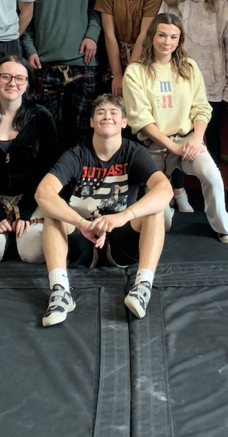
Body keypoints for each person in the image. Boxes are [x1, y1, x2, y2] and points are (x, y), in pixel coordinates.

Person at [35, 94, 172, 326]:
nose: (107, 116)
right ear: (91, 121)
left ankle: (142, 287)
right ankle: (60, 292)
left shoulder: (133, 152)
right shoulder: (77, 153)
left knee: (155, 209)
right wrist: (81, 223)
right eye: (100, 112)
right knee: (53, 212)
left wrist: (124, 216)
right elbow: (43, 193)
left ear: (124, 122)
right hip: (84, 239)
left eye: (113, 113)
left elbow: (165, 189)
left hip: (120, 240)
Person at [122, 13, 228, 244]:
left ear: (179, 40)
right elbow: (141, 119)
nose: (167, 42)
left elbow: (201, 108)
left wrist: (197, 139)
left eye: (173, 37)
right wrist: (172, 147)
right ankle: (168, 211)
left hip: (188, 140)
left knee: (212, 175)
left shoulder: (188, 66)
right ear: (152, 36)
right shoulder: (135, 72)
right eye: (162, 35)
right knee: (162, 225)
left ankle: (223, 226)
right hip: (154, 147)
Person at [22, 0, 102, 150]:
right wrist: (29, 47)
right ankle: (52, 187)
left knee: (84, 134)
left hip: (83, 64)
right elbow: (20, 15)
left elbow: (99, 5)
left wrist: (93, 35)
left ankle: (82, 184)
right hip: (44, 65)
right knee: (49, 136)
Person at [0, 56, 59, 266]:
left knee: (34, 254)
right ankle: (5, 235)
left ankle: (15, 235)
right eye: (5, 76)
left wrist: (25, 211)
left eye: (19, 78)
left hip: (33, 197)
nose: (12, 83)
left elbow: (47, 167)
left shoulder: (41, 117)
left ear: (27, 85)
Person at [161, 0, 228, 177]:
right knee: (174, 138)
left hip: (212, 87)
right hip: (177, 86)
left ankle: (214, 192)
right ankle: (175, 193)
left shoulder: (223, 3)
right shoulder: (171, 2)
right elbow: (161, 44)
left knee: (210, 139)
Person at [95, 0, 163, 96]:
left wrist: (129, 75)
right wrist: (117, 75)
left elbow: (145, 34)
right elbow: (109, 34)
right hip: (115, 61)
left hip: (143, 62)